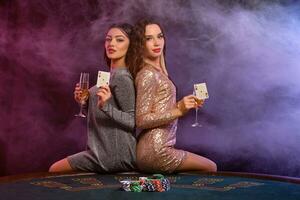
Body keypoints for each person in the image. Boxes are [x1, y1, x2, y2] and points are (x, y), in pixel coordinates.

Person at [129, 19, 217, 173]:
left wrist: (180, 105)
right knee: (211, 167)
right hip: (156, 151)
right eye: (148, 39)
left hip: (154, 149)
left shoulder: (158, 72)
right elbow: (141, 119)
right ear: (139, 44)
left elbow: (158, 108)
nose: (156, 43)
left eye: (160, 36)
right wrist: (178, 111)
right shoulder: (148, 74)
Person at [49, 23, 136, 173]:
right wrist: (84, 103)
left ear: (131, 46)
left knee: (54, 169)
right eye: (108, 39)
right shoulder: (109, 76)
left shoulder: (122, 78)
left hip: (113, 154)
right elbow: (102, 114)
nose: (112, 44)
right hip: (101, 150)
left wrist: (106, 106)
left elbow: (132, 121)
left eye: (119, 40)